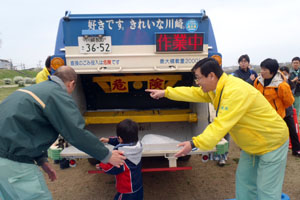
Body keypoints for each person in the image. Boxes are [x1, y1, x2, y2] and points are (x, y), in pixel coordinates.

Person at [146, 58, 289, 200]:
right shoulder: (217, 88)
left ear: (212, 76)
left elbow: (220, 125)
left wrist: (194, 143)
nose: (198, 82)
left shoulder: (234, 91)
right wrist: (166, 92)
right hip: (253, 145)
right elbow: (194, 93)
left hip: (271, 142)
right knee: (245, 183)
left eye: (199, 78)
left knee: (266, 191)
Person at [0, 66, 126, 200]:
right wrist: (107, 155)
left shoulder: (35, 89)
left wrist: (42, 160)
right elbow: (76, 132)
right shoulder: (56, 94)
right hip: (15, 163)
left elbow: (28, 128)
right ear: (71, 83)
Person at [97, 119, 143, 200]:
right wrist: (109, 140)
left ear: (120, 138)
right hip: (138, 187)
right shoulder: (138, 145)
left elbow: (111, 168)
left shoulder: (120, 156)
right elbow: (124, 142)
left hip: (126, 190)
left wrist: (101, 165)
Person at [279, 66, 300, 156]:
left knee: (292, 131)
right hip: (279, 111)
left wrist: (289, 81)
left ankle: (296, 150)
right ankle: (280, 150)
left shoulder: (287, 82)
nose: (284, 74)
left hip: (288, 111)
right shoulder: (277, 83)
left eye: (286, 73)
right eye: (282, 72)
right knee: (279, 132)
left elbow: (292, 88)